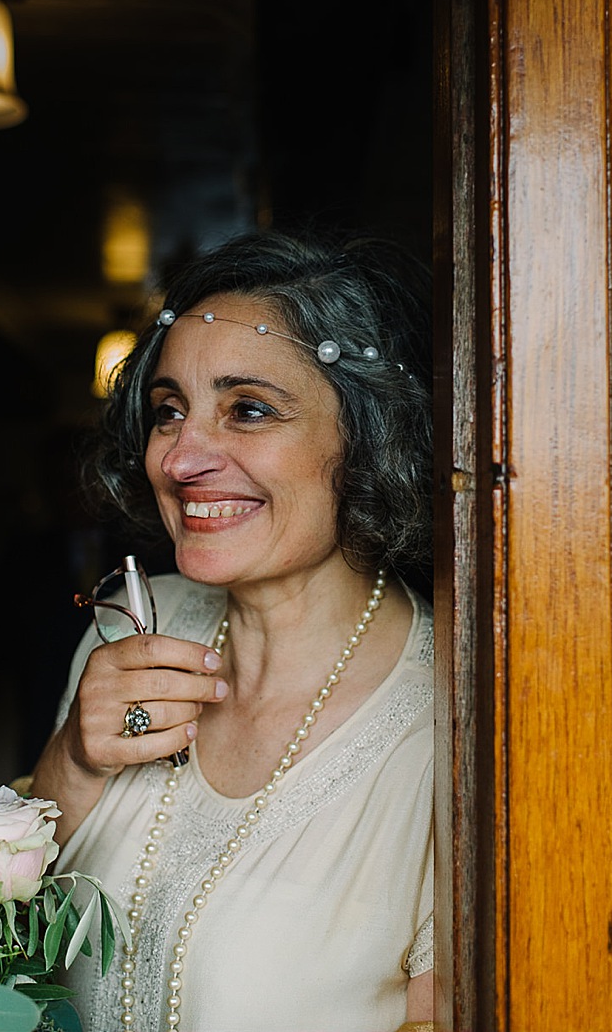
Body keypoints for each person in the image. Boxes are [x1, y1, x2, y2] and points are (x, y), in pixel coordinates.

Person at [28, 232, 435, 1031]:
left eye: (248, 409)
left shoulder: (454, 715)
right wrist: (72, 759)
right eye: (169, 411)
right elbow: (1, 948)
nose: (181, 458)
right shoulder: (125, 625)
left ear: (366, 436)